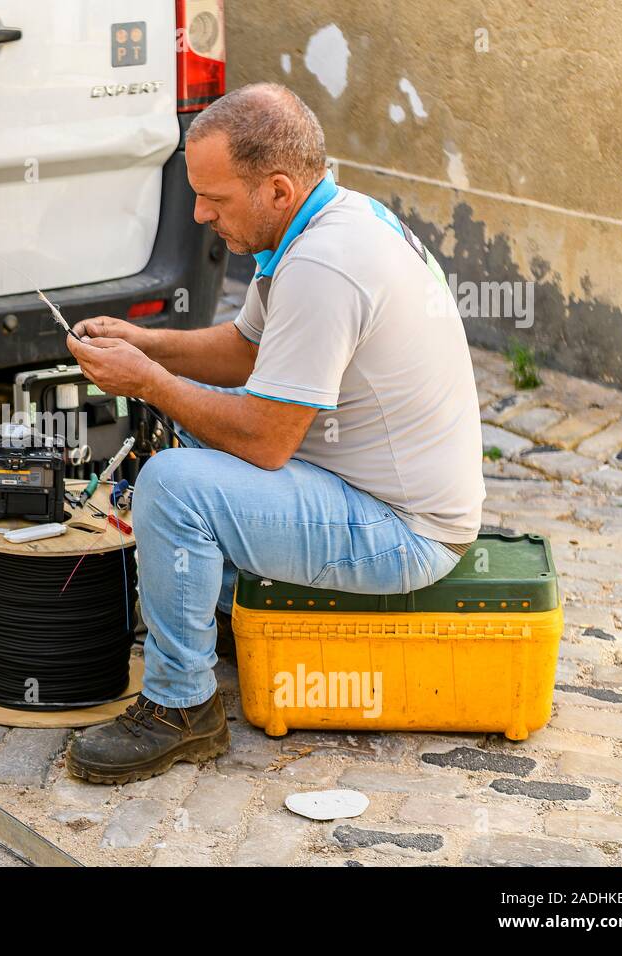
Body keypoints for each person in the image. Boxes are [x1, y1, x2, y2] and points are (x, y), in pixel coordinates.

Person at [62, 83, 484, 784]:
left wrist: (145, 379)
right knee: (187, 426)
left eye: (214, 199)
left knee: (171, 486)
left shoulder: (324, 265)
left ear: (278, 190)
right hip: (363, 488)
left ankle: (181, 709)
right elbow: (246, 352)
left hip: (406, 531)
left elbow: (264, 441)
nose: (199, 215)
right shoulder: (323, 221)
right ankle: (222, 616)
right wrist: (148, 343)